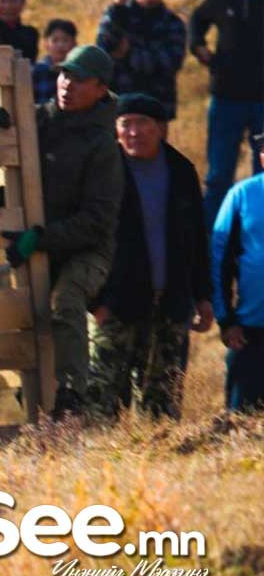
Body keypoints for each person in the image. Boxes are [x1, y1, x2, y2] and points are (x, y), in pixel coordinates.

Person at [1, 45, 123, 418]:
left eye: (79, 79)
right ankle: (33, 396)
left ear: (101, 89)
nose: (67, 84)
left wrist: (41, 237)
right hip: (40, 243)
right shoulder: (37, 119)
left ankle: (72, 398)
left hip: (87, 250)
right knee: (18, 311)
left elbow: (97, 220)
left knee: (64, 299)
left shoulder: (104, 145)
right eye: (64, 75)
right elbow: (4, 127)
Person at [88, 94, 212, 421]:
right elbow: (84, 239)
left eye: (142, 123)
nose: (134, 132)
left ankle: (159, 467)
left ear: (160, 128)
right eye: (125, 124)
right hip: (115, 305)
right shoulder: (102, 172)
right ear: (115, 130)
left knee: (162, 406)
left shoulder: (181, 171)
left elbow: (197, 240)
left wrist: (202, 297)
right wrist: (96, 301)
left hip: (170, 305)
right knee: (102, 403)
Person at [190, 0, 264, 229]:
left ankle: (257, 237)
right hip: (226, 97)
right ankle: (212, 241)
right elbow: (197, 20)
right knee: (219, 174)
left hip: (263, 98)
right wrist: (199, 47)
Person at [210, 129, 264, 411]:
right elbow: (219, 261)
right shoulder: (242, 196)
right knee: (243, 422)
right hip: (251, 333)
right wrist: (226, 319)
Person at [96, 0, 186, 120]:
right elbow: (103, 49)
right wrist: (118, 6)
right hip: (117, 104)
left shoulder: (173, 23)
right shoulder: (118, 13)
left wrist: (128, 54)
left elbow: (170, 63)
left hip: (157, 107)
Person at [32, 19, 77, 105]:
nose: (60, 45)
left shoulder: (79, 72)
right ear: (46, 44)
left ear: (74, 44)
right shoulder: (36, 71)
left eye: (65, 40)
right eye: (55, 40)